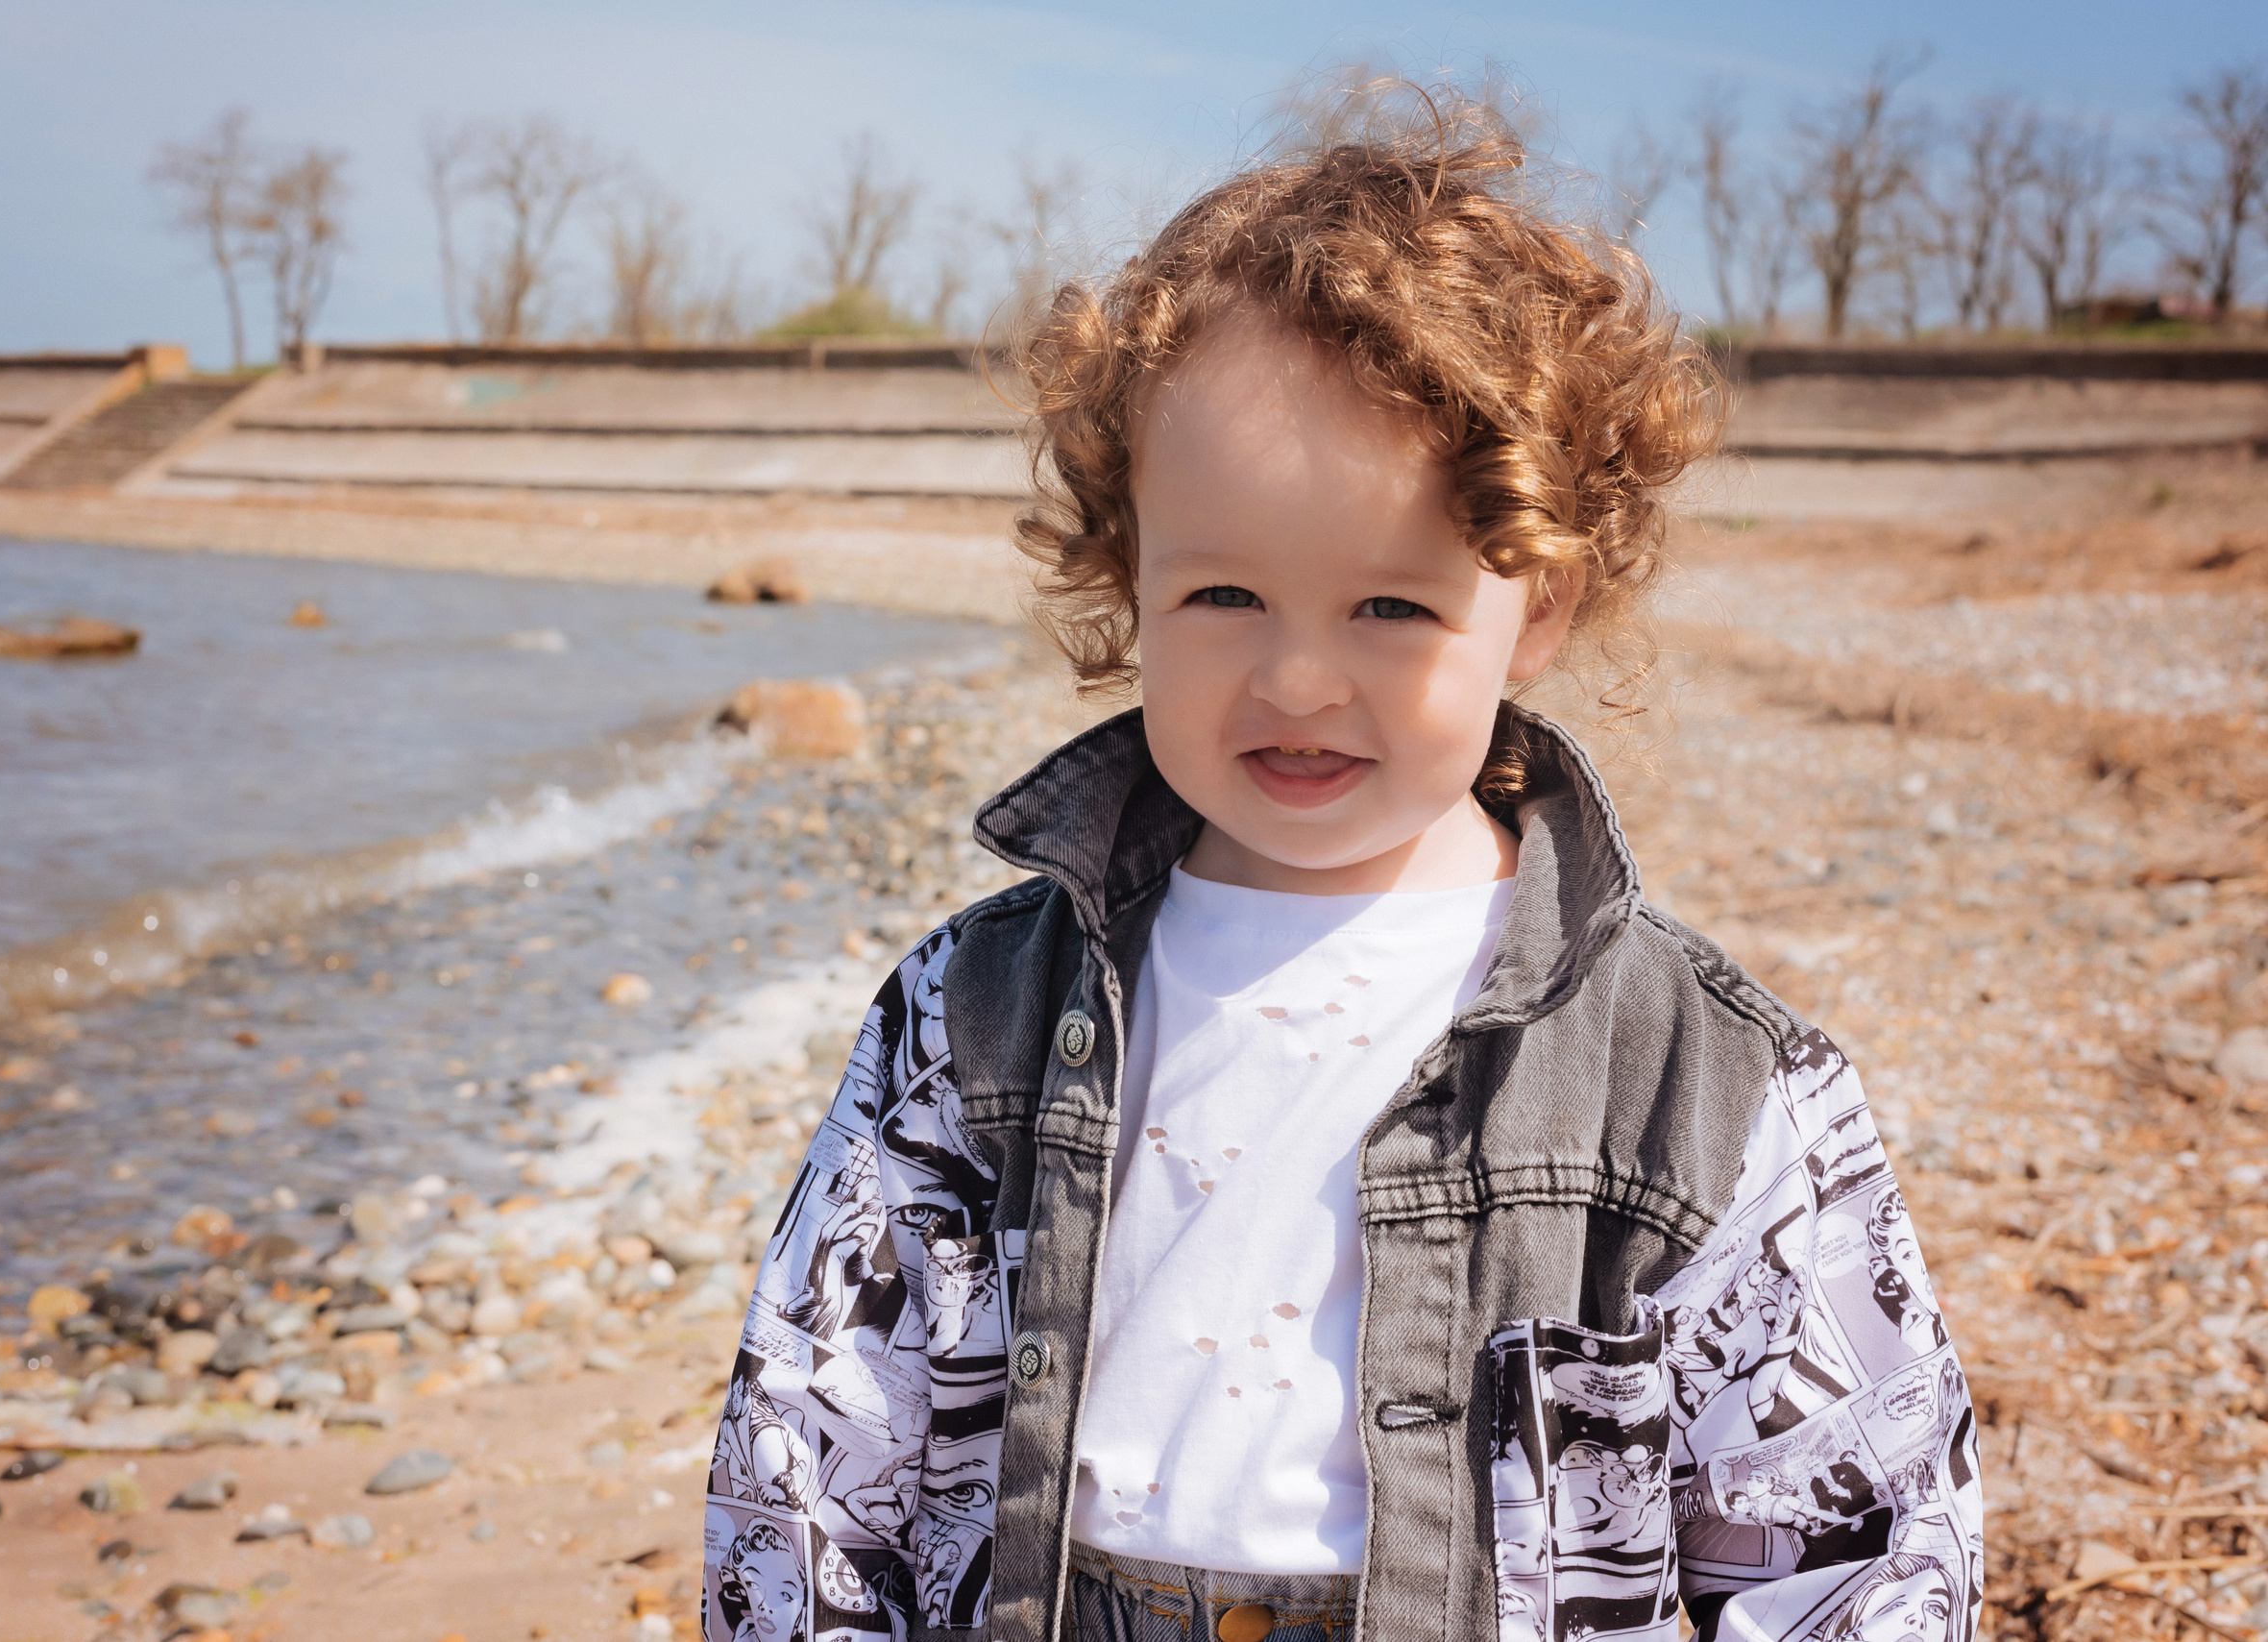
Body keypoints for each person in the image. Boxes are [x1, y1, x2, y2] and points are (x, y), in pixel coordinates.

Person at [702, 83, 1978, 1642]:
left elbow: (1849, 1535)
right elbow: (817, 1455)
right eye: (1226, 594)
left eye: (1389, 609)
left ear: (1542, 602)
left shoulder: (1700, 1082)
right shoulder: (967, 1020)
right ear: (1129, 569)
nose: (1299, 680)